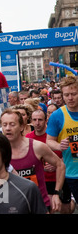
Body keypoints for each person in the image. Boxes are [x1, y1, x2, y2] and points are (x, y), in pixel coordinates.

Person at [1, 108, 65, 212]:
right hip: (13, 207)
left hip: (39, 205)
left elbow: (60, 165)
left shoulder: (37, 146)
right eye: (4, 125)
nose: (8, 128)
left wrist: (57, 193)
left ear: (22, 127)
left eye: (12, 124)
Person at [27, 110, 75, 214]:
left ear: (46, 120)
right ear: (31, 121)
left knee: (66, 210)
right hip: (43, 180)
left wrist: (57, 164)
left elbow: (68, 154)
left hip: (60, 177)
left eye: (40, 120)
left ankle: (72, 201)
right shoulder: (28, 138)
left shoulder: (54, 136)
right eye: (34, 120)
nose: (37, 123)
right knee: (50, 208)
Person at [47, 75, 78, 206]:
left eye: (74, 94)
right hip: (72, 171)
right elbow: (49, 141)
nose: (70, 98)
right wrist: (60, 146)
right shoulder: (57, 115)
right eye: (66, 95)